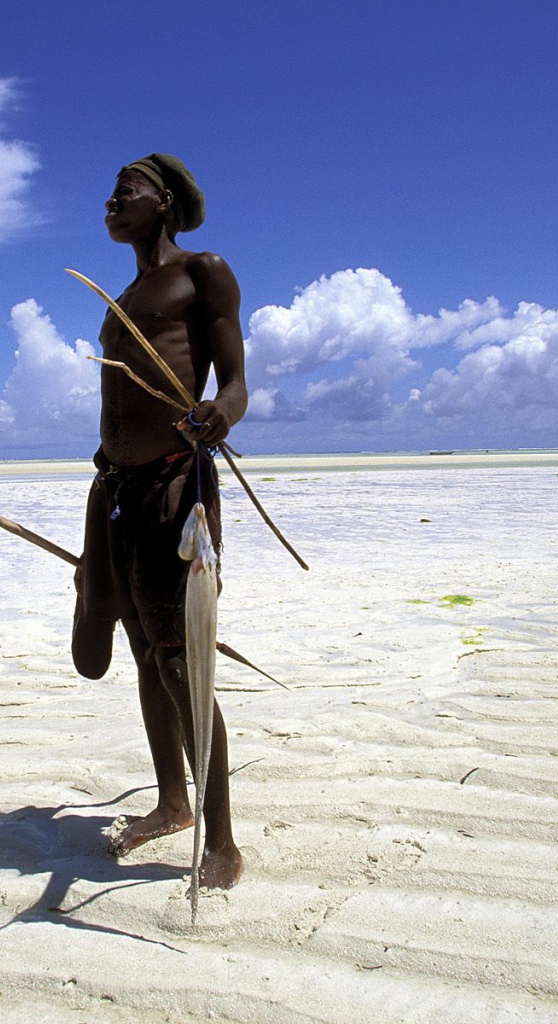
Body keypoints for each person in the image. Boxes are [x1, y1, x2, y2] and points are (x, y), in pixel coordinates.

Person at [73, 153, 247, 890]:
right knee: (143, 650)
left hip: (179, 485)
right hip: (120, 490)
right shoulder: (125, 295)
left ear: (163, 201)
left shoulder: (202, 271)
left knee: (181, 657)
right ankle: (172, 801)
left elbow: (236, 384)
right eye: (110, 194)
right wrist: (110, 449)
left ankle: (223, 843)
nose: (111, 203)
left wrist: (220, 414)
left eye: (126, 192)